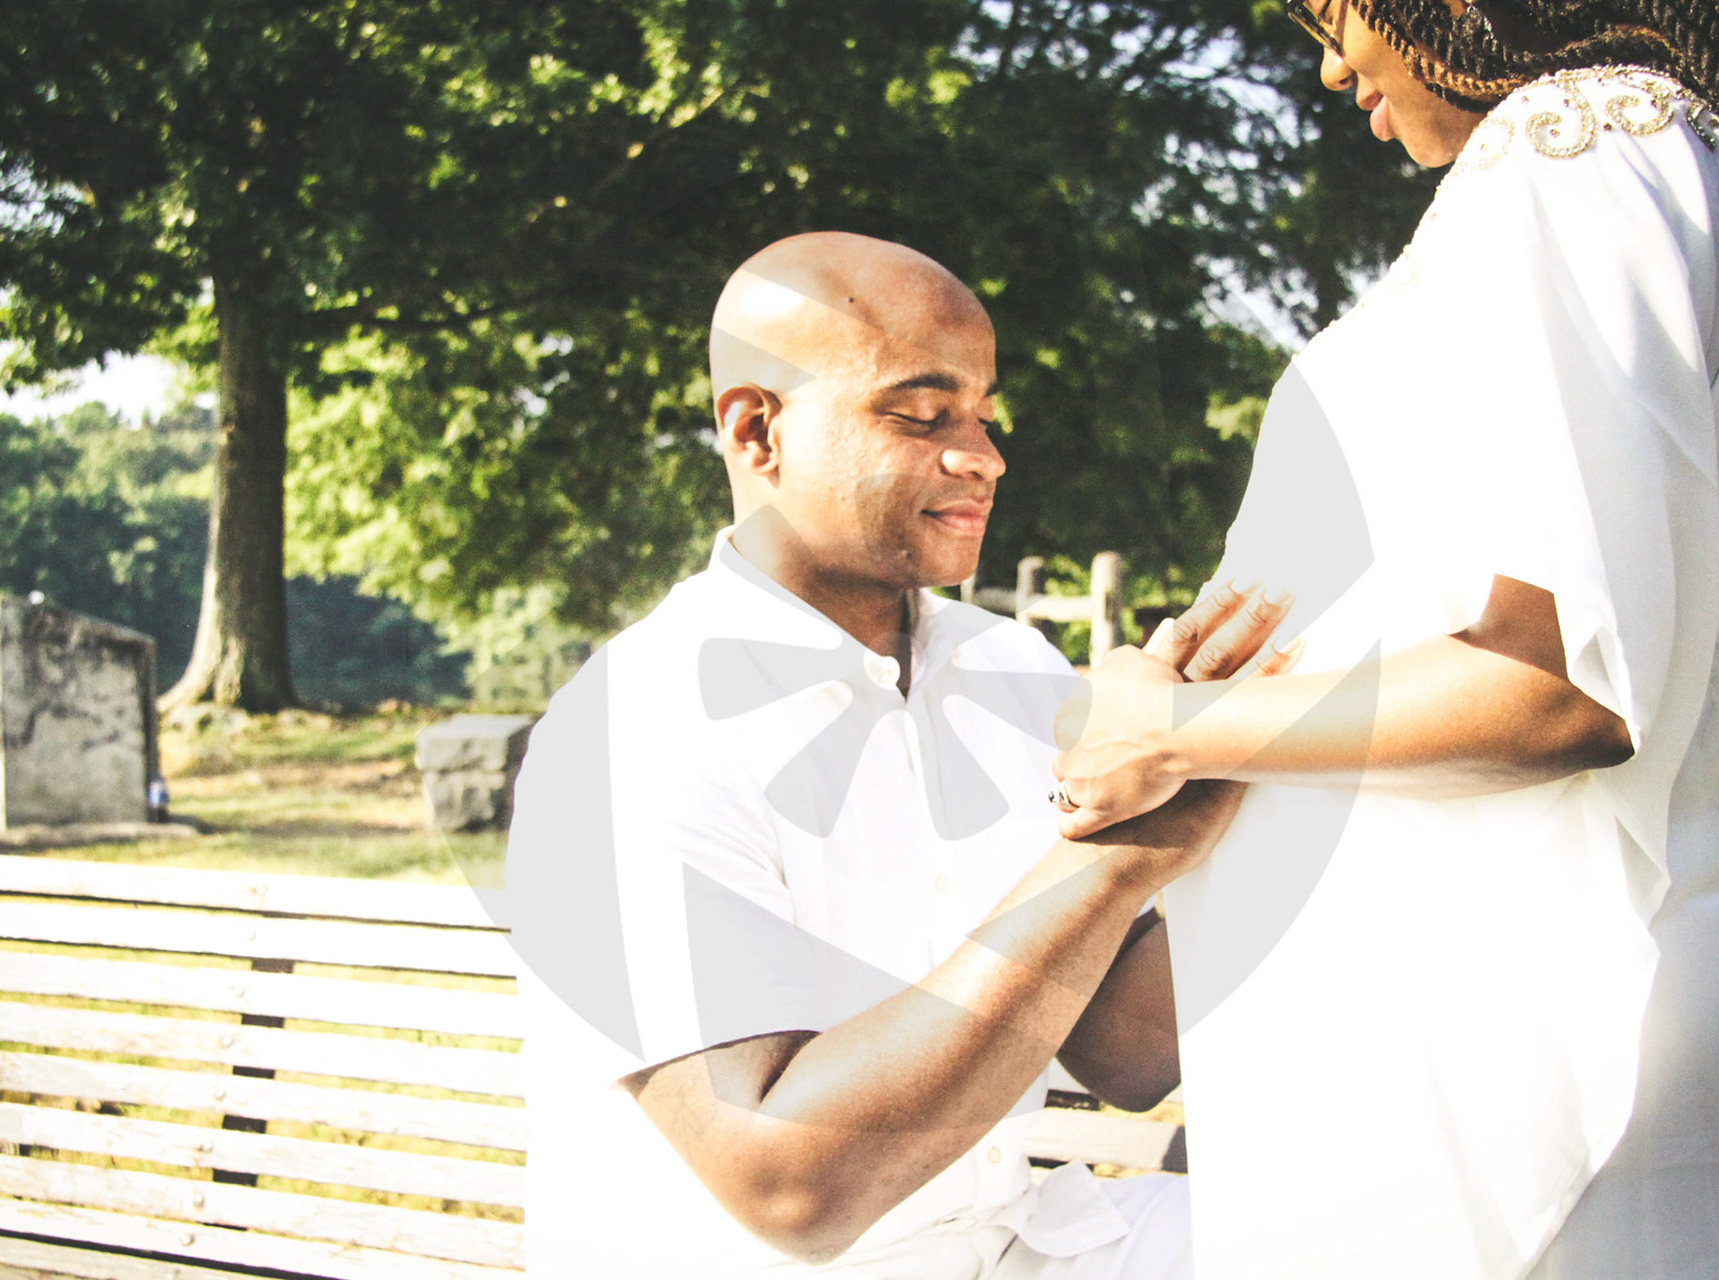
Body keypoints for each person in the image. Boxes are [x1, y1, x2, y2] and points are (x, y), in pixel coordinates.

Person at [1051, 1, 1719, 1276]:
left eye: (1336, 13)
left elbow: (1558, 685)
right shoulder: (1660, 166)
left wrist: (1169, 729)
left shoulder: (1577, 152)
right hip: (1503, 1031)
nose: (1331, 66)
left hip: (1511, 1071)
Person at [507, 231, 1293, 1278]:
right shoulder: (627, 729)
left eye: (985, 417)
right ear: (758, 431)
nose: (983, 457)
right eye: (923, 416)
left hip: (1017, 1245)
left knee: (1387, 1229)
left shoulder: (1014, 670)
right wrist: (1116, 860)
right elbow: (792, 1188)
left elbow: (1127, 1053)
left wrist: (1245, 760)